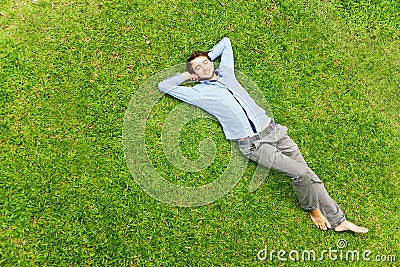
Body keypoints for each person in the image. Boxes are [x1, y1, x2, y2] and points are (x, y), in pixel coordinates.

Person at [158, 37, 368, 233]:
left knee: (310, 175)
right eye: (198, 67)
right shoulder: (197, 93)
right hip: (254, 145)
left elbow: (226, 42)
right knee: (300, 174)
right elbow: (164, 86)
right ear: (194, 73)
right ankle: (313, 209)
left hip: (275, 132)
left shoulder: (227, 72)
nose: (204, 67)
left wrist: (209, 58)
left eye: (205, 62)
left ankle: (339, 221)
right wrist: (188, 75)